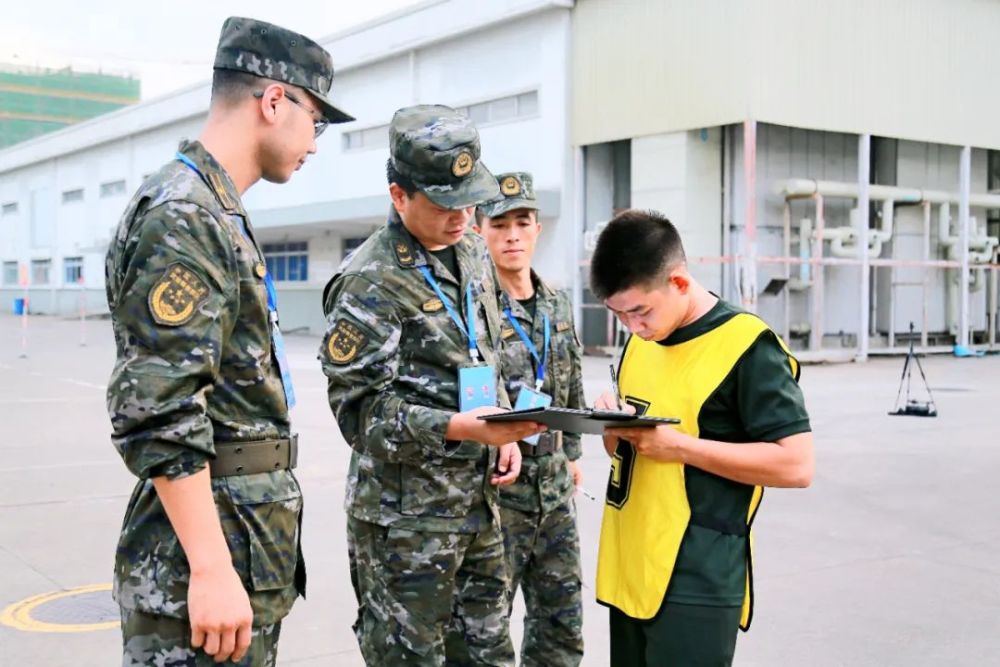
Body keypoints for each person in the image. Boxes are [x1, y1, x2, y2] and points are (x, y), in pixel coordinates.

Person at [105, 17, 353, 666]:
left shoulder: (212, 208)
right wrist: (212, 568)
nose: (315, 143)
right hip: (203, 559)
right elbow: (158, 406)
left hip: (242, 537)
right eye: (316, 120)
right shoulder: (185, 215)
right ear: (274, 101)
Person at [319, 105, 545, 666]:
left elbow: (482, 352)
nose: (463, 216)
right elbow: (360, 414)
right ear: (400, 196)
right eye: (445, 203)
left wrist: (503, 430)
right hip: (406, 527)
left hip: (479, 507)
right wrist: (454, 427)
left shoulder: (471, 251)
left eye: (470, 199)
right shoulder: (368, 281)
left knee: (489, 653)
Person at [589, 209, 814, 666]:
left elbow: (797, 465)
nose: (633, 328)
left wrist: (680, 448)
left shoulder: (747, 346)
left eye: (640, 312)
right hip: (630, 565)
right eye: (620, 316)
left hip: (696, 576)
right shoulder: (641, 342)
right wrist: (612, 428)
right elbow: (627, 452)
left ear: (679, 282)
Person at [475, 172, 585, 666]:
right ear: (480, 230)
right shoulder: (473, 309)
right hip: (500, 493)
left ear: (538, 228)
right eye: (500, 224)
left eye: (522, 222)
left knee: (561, 623)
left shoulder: (557, 303)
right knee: (487, 628)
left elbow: (571, 379)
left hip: (555, 487)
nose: (512, 235)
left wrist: (575, 453)